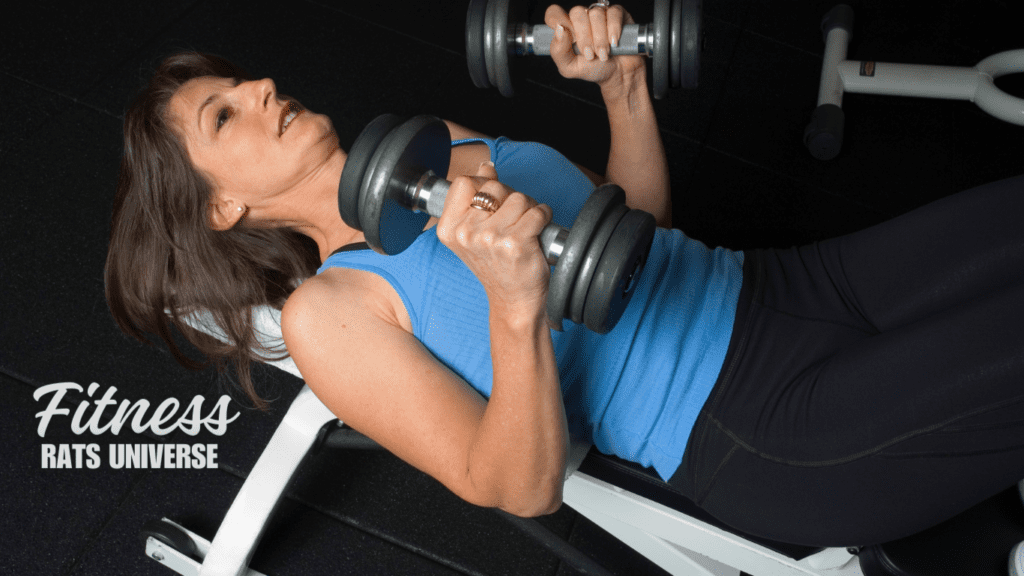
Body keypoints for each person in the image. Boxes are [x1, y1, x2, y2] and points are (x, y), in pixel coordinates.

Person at [105, 3, 1024, 549]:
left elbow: (640, 242)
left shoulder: (440, 143)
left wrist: (623, 89)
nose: (262, 91)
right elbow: (517, 486)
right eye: (224, 119)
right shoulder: (332, 312)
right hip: (761, 427)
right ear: (221, 209)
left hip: (786, 286)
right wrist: (514, 307)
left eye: (241, 83)